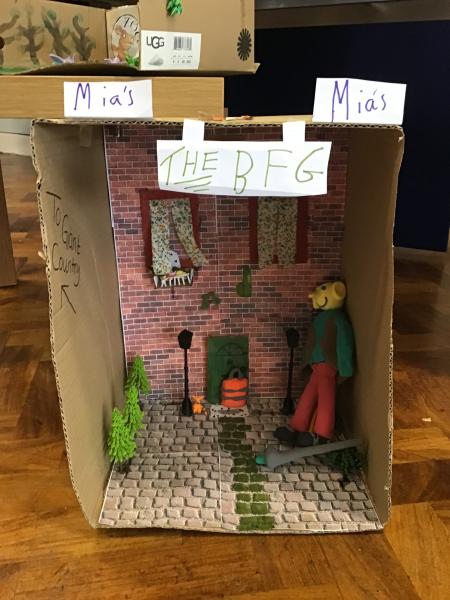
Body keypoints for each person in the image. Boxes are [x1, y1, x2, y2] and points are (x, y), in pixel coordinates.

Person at [275, 280, 355, 447]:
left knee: (326, 400)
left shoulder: (338, 320)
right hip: (316, 367)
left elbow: (344, 344)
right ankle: (297, 426)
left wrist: (345, 368)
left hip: (328, 366)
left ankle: (322, 433)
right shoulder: (319, 319)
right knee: (307, 397)